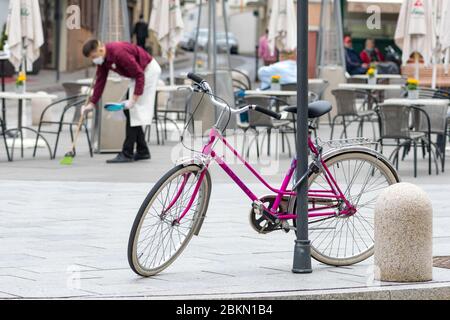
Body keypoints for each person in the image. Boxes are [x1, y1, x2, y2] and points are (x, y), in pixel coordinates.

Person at [81, 40, 162, 164]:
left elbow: (140, 74)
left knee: (132, 111)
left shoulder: (119, 53)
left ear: (100, 49)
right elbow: (100, 81)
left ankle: (127, 153)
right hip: (139, 75)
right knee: (131, 113)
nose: (93, 60)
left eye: (93, 57)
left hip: (148, 72)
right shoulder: (103, 60)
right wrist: (92, 103)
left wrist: (134, 99)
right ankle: (142, 150)